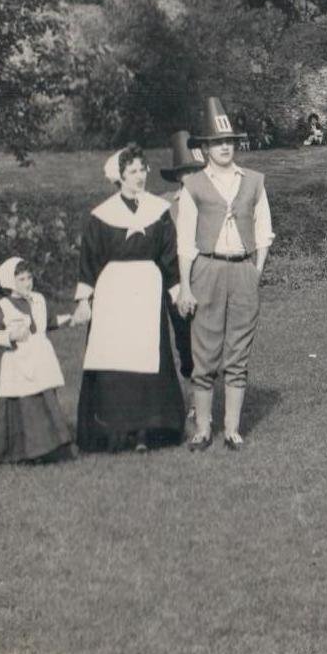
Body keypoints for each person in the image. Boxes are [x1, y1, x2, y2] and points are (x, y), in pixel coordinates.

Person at [72, 145, 188, 453]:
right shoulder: (101, 216)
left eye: (142, 169)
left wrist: (177, 290)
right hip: (112, 295)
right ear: (120, 175)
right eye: (133, 171)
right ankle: (114, 432)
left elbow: (169, 255)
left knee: (149, 356)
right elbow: (90, 260)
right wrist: (85, 300)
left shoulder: (159, 213)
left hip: (147, 292)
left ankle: (146, 433)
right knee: (115, 360)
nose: (139, 176)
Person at [176, 97, 275, 450]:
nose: (224, 148)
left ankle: (232, 429)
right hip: (207, 269)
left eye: (229, 142)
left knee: (238, 350)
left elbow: (264, 231)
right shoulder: (194, 186)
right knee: (204, 350)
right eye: (217, 143)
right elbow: (185, 242)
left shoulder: (253, 181)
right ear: (203, 148)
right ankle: (203, 428)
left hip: (243, 268)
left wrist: (256, 269)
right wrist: (186, 286)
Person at [0, 257, 75, 465]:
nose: (27, 283)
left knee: (45, 397)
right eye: (21, 279)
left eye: (29, 278)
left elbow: (49, 322)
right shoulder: (2, 307)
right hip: (19, 360)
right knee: (24, 403)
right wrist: (10, 336)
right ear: (10, 282)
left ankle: (52, 448)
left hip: (41, 356)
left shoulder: (38, 299)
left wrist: (72, 319)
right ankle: (26, 451)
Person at [159, 130, 205, 385]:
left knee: (209, 341)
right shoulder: (165, 205)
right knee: (185, 342)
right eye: (187, 172)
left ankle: (207, 397)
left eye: (196, 171)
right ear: (178, 176)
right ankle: (195, 397)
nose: (192, 177)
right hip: (176, 283)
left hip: (206, 277)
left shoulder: (211, 202)